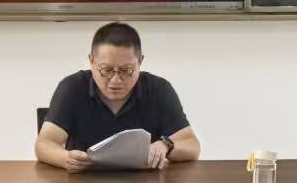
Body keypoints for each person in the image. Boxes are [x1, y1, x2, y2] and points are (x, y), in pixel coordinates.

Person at [36, 22, 200, 172]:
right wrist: (65, 158)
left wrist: (166, 145)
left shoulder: (159, 89)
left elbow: (192, 146)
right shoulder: (72, 87)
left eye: (126, 70)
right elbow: (43, 144)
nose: (116, 80)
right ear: (91, 61)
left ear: (140, 62)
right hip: (83, 182)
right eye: (106, 70)